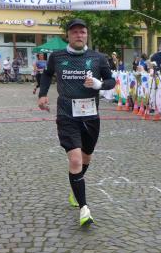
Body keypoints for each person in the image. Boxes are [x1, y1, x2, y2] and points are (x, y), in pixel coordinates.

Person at [37, 18, 115, 226]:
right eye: (75, 32)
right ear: (68, 36)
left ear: (86, 35)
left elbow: (111, 81)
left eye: (82, 32)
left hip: (90, 116)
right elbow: (46, 75)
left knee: (86, 157)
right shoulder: (57, 56)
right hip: (67, 115)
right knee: (75, 160)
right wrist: (43, 95)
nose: (79, 35)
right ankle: (84, 208)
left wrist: (99, 84)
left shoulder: (98, 58)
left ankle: (75, 187)